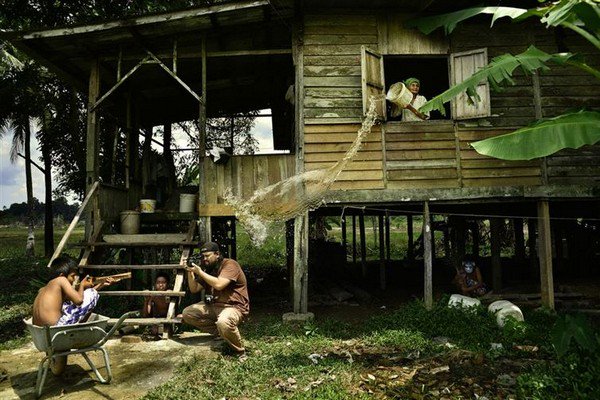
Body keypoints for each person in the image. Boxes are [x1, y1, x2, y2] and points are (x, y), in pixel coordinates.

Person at [32, 255, 114, 374]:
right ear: (62, 275)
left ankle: (54, 362)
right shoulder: (61, 280)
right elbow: (79, 301)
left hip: (42, 335)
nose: (73, 279)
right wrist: (82, 286)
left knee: (81, 299)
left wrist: (99, 285)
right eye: (72, 276)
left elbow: (73, 302)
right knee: (88, 296)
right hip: (56, 331)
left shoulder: (44, 289)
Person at [182, 241, 250, 358]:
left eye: (207, 256)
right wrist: (190, 271)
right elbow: (194, 288)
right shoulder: (208, 268)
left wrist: (200, 272)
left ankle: (240, 351)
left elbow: (219, 284)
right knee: (188, 313)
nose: (205, 259)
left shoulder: (230, 265)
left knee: (223, 322)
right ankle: (221, 332)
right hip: (214, 306)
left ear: (217, 254)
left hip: (233, 307)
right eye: (203, 257)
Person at [142, 272, 171, 338]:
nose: (161, 285)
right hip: (156, 318)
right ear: (155, 284)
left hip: (168, 317)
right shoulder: (153, 295)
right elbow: (146, 314)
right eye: (158, 282)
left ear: (167, 284)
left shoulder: (169, 293)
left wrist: (169, 294)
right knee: (154, 331)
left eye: (163, 282)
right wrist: (146, 300)